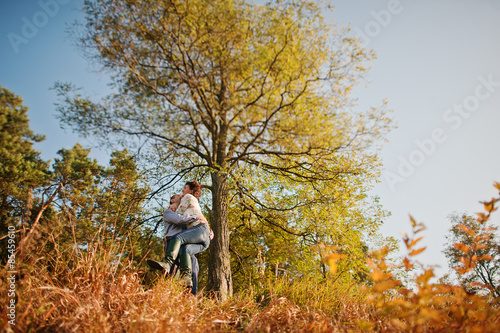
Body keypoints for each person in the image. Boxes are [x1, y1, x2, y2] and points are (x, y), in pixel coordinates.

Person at [147, 180, 211, 289]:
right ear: (172, 200)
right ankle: (186, 279)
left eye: (185, 188)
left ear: (190, 191)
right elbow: (187, 218)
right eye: (179, 194)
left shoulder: (187, 197)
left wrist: (173, 208)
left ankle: (167, 263)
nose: (182, 191)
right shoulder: (188, 204)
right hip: (202, 239)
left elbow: (179, 216)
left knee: (178, 238)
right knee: (185, 250)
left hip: (198, 230)